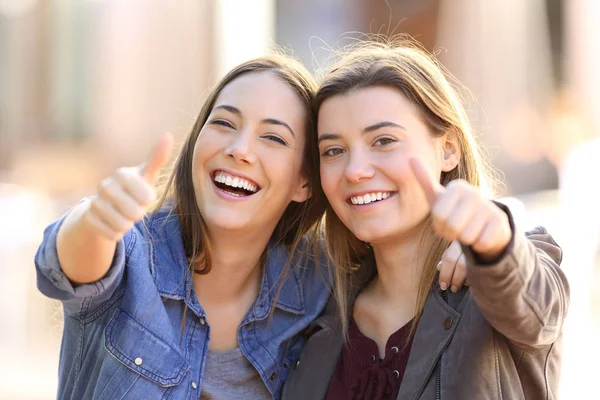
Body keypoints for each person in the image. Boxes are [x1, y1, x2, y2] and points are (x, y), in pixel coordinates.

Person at [282, 40, 569, 400]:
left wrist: (493, 242)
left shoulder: (499, 279)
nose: (355, 171)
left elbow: (535, 302)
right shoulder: (314, 303)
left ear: (448, 149)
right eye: (333, 151)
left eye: (384, 141)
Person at [34, 55, 332, 400]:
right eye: (224, 123)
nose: (239, 150)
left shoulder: (318, 288)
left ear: (304, 181)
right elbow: (62, 263)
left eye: (274, 138)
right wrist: (97, 220)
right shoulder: (133, 252)